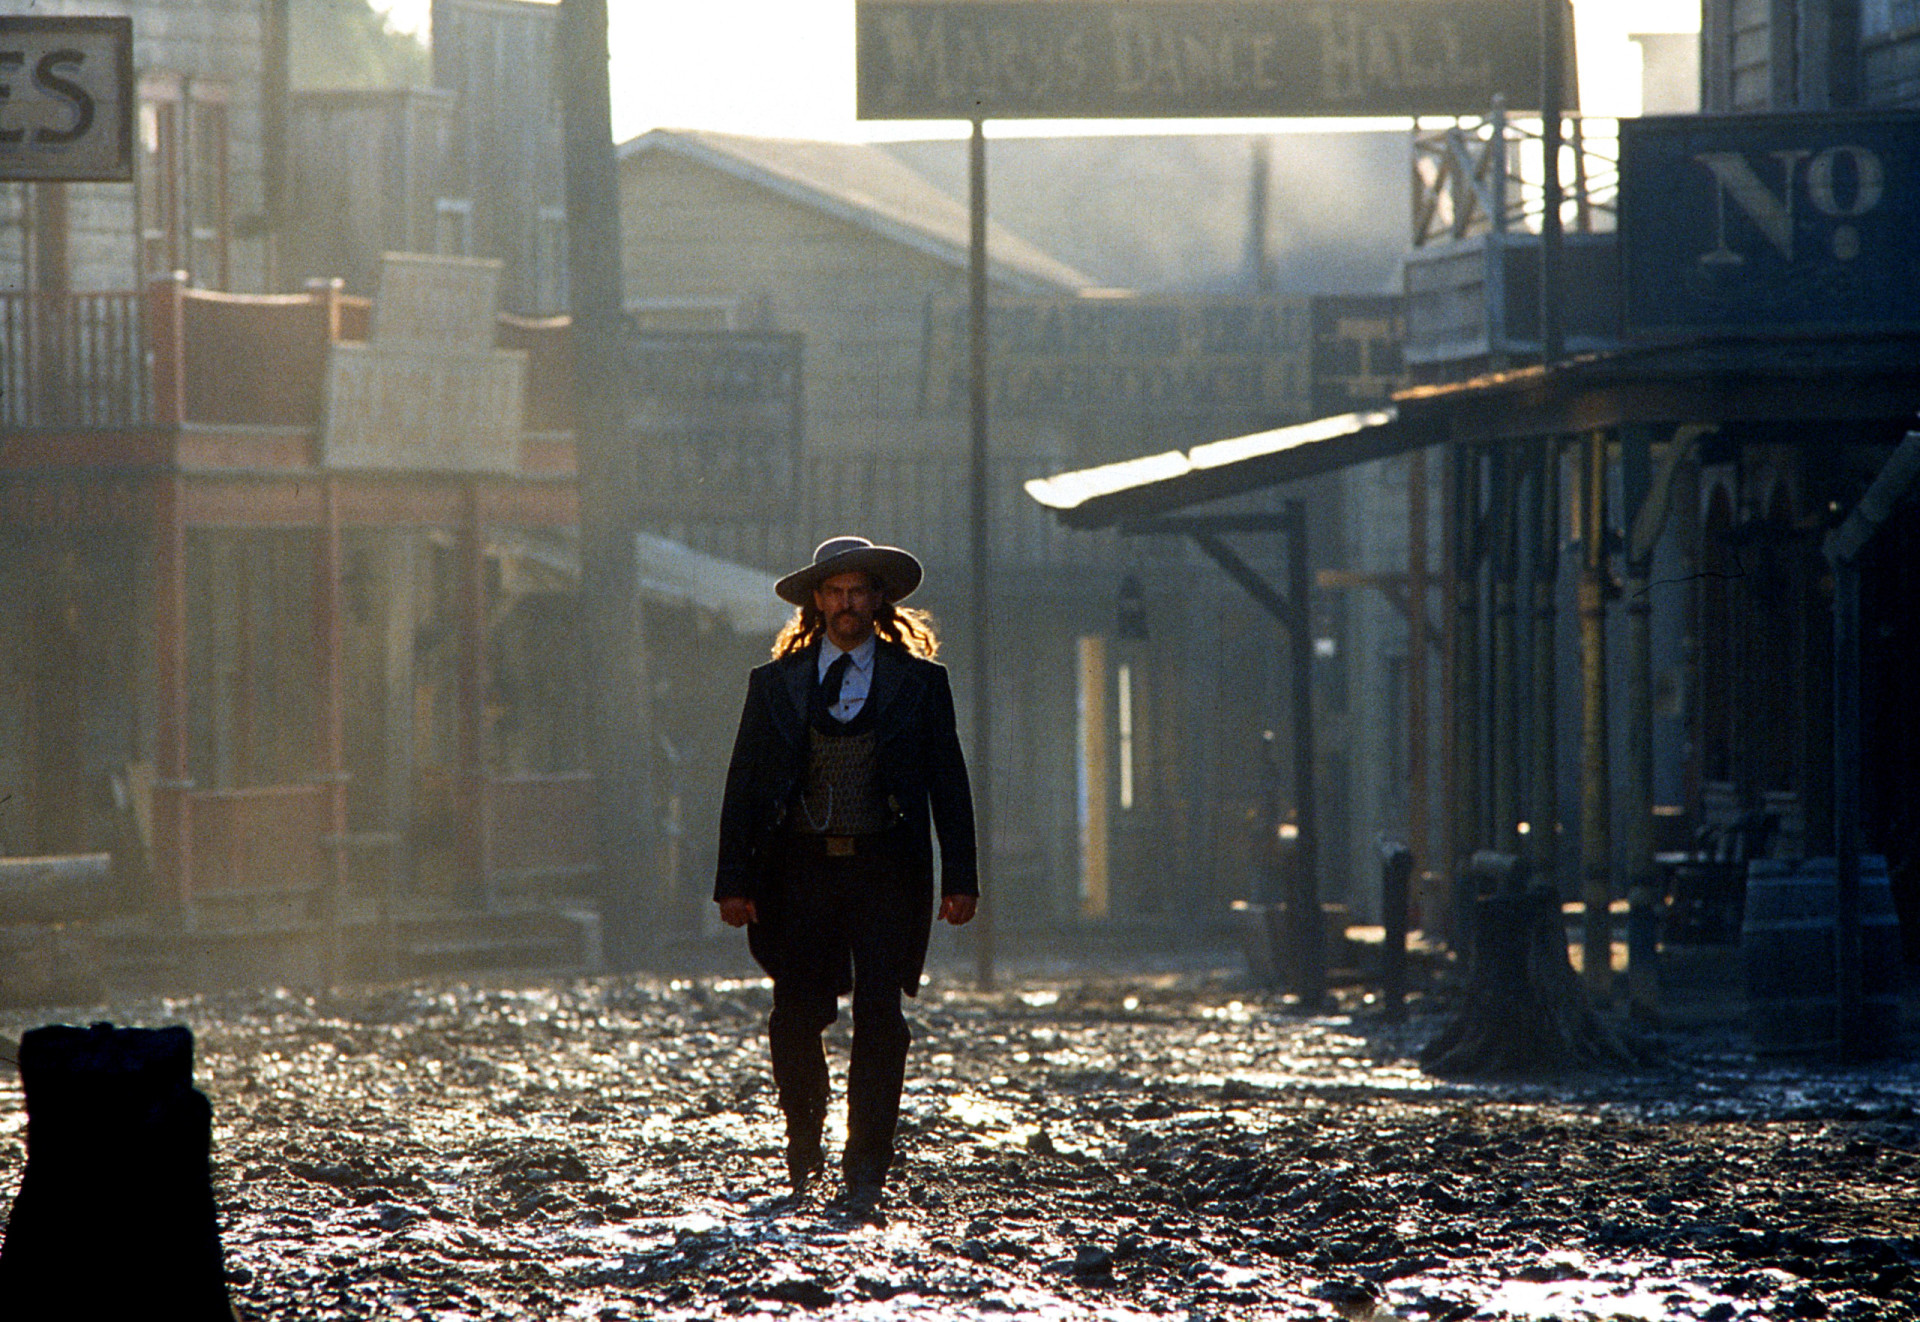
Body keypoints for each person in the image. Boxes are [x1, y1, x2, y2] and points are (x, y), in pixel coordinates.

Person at [714, 535, 978, 1209]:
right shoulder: (773, 685)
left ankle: (867, 1161)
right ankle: (804, 1136)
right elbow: (742, 783)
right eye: (834, 592)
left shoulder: (920, 684)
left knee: (881, 1014)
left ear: (878, 599)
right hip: (797, 870)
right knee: (794, 1014)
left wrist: (961, 877)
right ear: (816, 603)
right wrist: (733, 881)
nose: (846, 603)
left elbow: (949, 780)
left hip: (887, 869)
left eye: (858, 590)